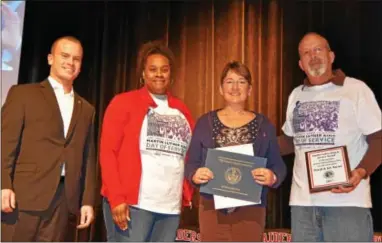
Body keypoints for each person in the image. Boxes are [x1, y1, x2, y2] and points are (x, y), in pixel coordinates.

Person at [279, 32, 382, 242]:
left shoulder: (356, 89)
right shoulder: (296, 95)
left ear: (331, 55)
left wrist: (360, 172)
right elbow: (289, 141)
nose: (313, 56)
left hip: (347, 202)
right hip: (303, 205)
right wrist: (248, 145)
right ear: (300, 63)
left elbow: (378, 140)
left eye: (318, 49)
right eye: (306, 53)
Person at [1, 36, 96, 241]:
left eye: (76, 59)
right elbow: (5, 144)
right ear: (50, 59)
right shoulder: (23, 94)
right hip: (23, 196)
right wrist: (3, 185)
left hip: (63, 202)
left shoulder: (87, 109)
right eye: (65, 56)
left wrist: (87, 200)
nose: (70, 62)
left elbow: (88, 158)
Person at [100, 41, 195, 242]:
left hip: (169, 208)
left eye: (164, 69)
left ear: (171, 74)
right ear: (143, 73)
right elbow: (108, 153)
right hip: (133, 206)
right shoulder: (123, 102)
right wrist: (116, 198)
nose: (159, 74)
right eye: (152, 69)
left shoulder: (182, 109)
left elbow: (191, 154)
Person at [185, 61, 287, 242]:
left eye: (241, 81)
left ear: (249, 89)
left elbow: (278, 165)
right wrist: (195, 174)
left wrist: (272, 177)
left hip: (251, 210)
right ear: (220, 88)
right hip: (212, 208)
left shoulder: (264, 125)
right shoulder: (204, 123)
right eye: (229, 81)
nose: (235, 87)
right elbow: (191, 163)